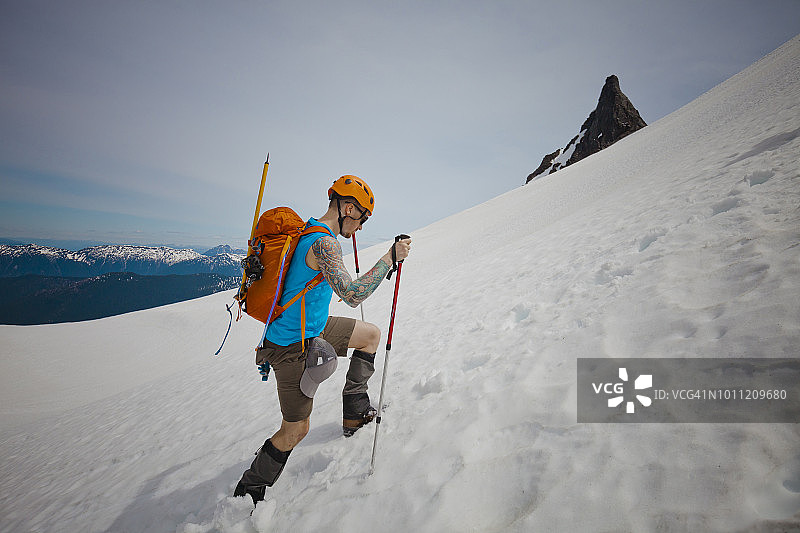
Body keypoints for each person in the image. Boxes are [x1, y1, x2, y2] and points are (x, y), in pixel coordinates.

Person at [234, 175, 412, 504]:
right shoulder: (323, 243)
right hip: (290, 345)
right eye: (361, 218)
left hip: (312, 327)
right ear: (347, 208)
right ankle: (249, 489)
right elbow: (353, 294)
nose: (360, 227)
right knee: (296, 430)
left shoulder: (314, 232)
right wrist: (390, 257)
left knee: (370, 335)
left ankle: (355, 412)